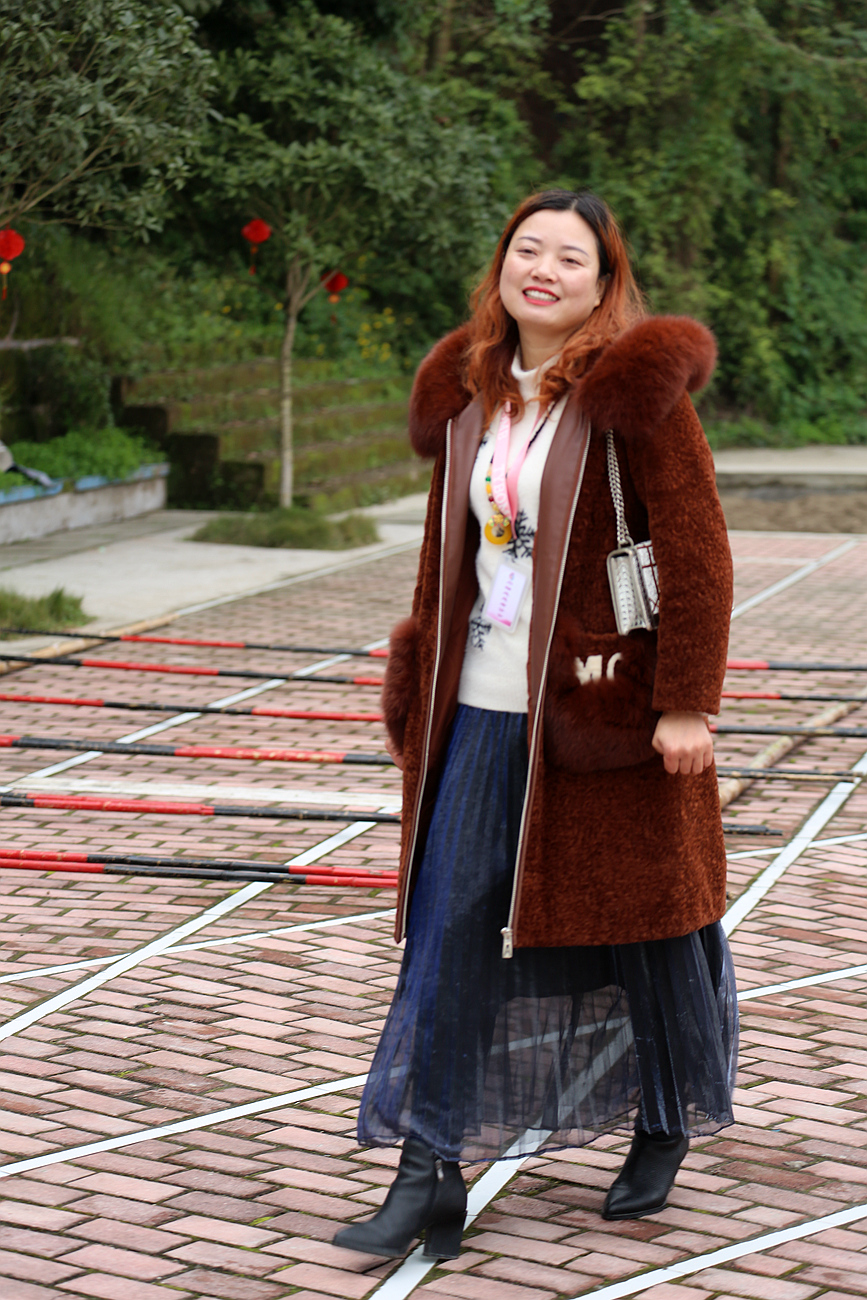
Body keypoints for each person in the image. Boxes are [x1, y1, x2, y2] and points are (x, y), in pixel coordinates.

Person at [333, 189, 738, 1263]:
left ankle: (663, 1118)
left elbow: (697, 549)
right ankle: (427, 1169)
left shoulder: (637, 396)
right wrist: (418, 689)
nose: (544, 269)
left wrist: (685, 702)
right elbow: (446, 562)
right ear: (501, 268)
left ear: (604, 286)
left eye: (570, 256)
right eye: (527, 249)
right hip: (478, 707)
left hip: (603, 710)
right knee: (448, 931)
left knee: (648, 929)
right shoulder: (468, 394)